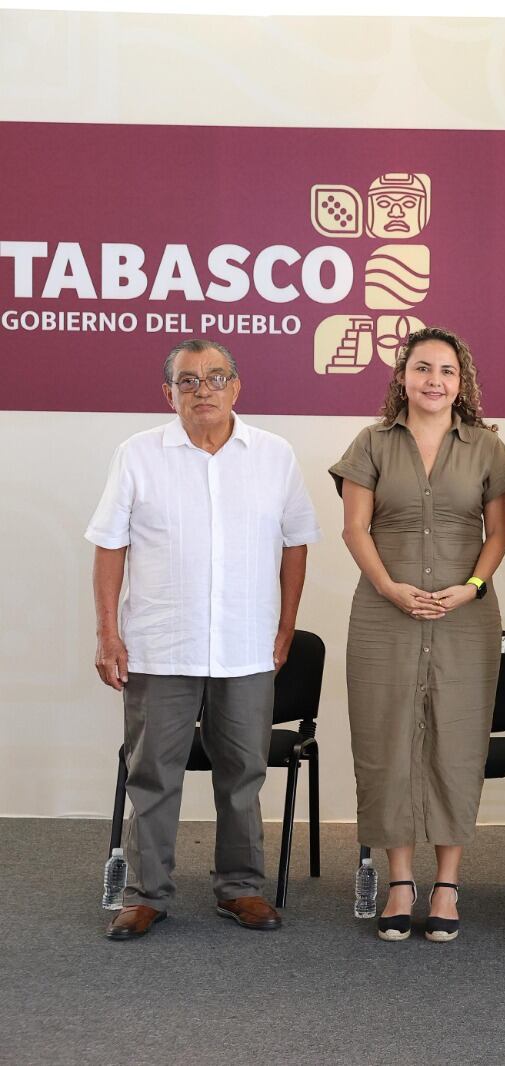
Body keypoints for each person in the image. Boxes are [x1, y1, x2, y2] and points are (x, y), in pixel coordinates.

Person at [87, 339, 318, 940]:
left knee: (242, 771)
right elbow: (110, 545)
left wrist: (287, 623)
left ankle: (241, 887)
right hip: (161, 645)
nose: (202, 390)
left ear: (237, 387)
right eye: (187, 381)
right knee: (153, 772)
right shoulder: (138, 455)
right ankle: (145, 894)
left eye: (215, 378)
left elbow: (296, 543)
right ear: (169, 394)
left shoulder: (274, 455)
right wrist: (107, 632)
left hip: (245, 645)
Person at [330, 326, 505, 943]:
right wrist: (389, 587)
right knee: (387, 740)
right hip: (385, 615)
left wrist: (473, 587)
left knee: (457, 742)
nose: (434, 381)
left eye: (447, 371)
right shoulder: (372, 443)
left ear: (462, 383)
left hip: (466, 618)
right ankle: (401, 879)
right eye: (422, 369)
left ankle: (448, 884)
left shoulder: (488, 448)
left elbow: (497, 537)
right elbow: (356, 529)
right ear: (402, 377)